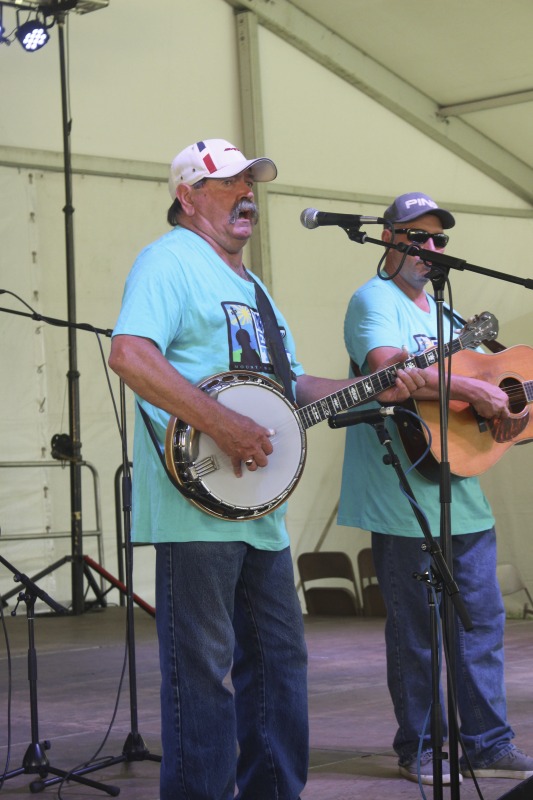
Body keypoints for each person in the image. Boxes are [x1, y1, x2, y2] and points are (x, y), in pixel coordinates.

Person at [108, 140, 426, 800]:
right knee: (201, 674)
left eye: (251, 182)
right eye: (227, 183)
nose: (246, 193)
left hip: (260, 514)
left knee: (279, 668)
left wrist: (373, 385)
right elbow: (131, 356)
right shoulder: (169, 261)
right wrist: (221, 423)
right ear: (187, 196)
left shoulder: (251, 286)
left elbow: (290, 385)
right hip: (193, 505)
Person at [338, 191, 533, 786]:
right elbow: (391, 369)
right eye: (417, 237)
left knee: (481, 623)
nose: (430, 249)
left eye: (438, 240)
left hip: (460, 489)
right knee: (417, 630)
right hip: (401, 493)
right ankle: (418, 746)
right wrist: (475, 394)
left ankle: (488, 742)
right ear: (389, 240)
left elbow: (483, 395)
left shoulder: (451, 318)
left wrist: (507, 413)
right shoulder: (373, 299)